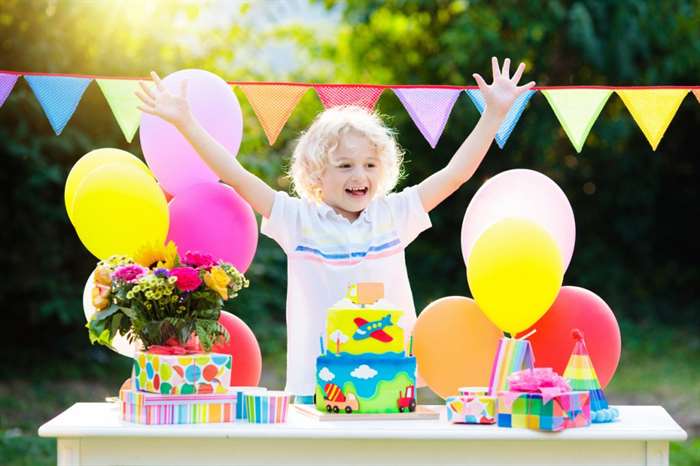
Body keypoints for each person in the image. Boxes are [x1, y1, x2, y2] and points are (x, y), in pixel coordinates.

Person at [136, 57, 535, 403]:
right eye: (344, 165)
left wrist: (494, 114)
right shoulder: (298, 220)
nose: (359, 175)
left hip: (387, 388)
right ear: (316, 174)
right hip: (313, 390)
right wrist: (186, 123)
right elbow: (237, 176)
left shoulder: (393, 215)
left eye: (369, 165)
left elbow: (456, 174)